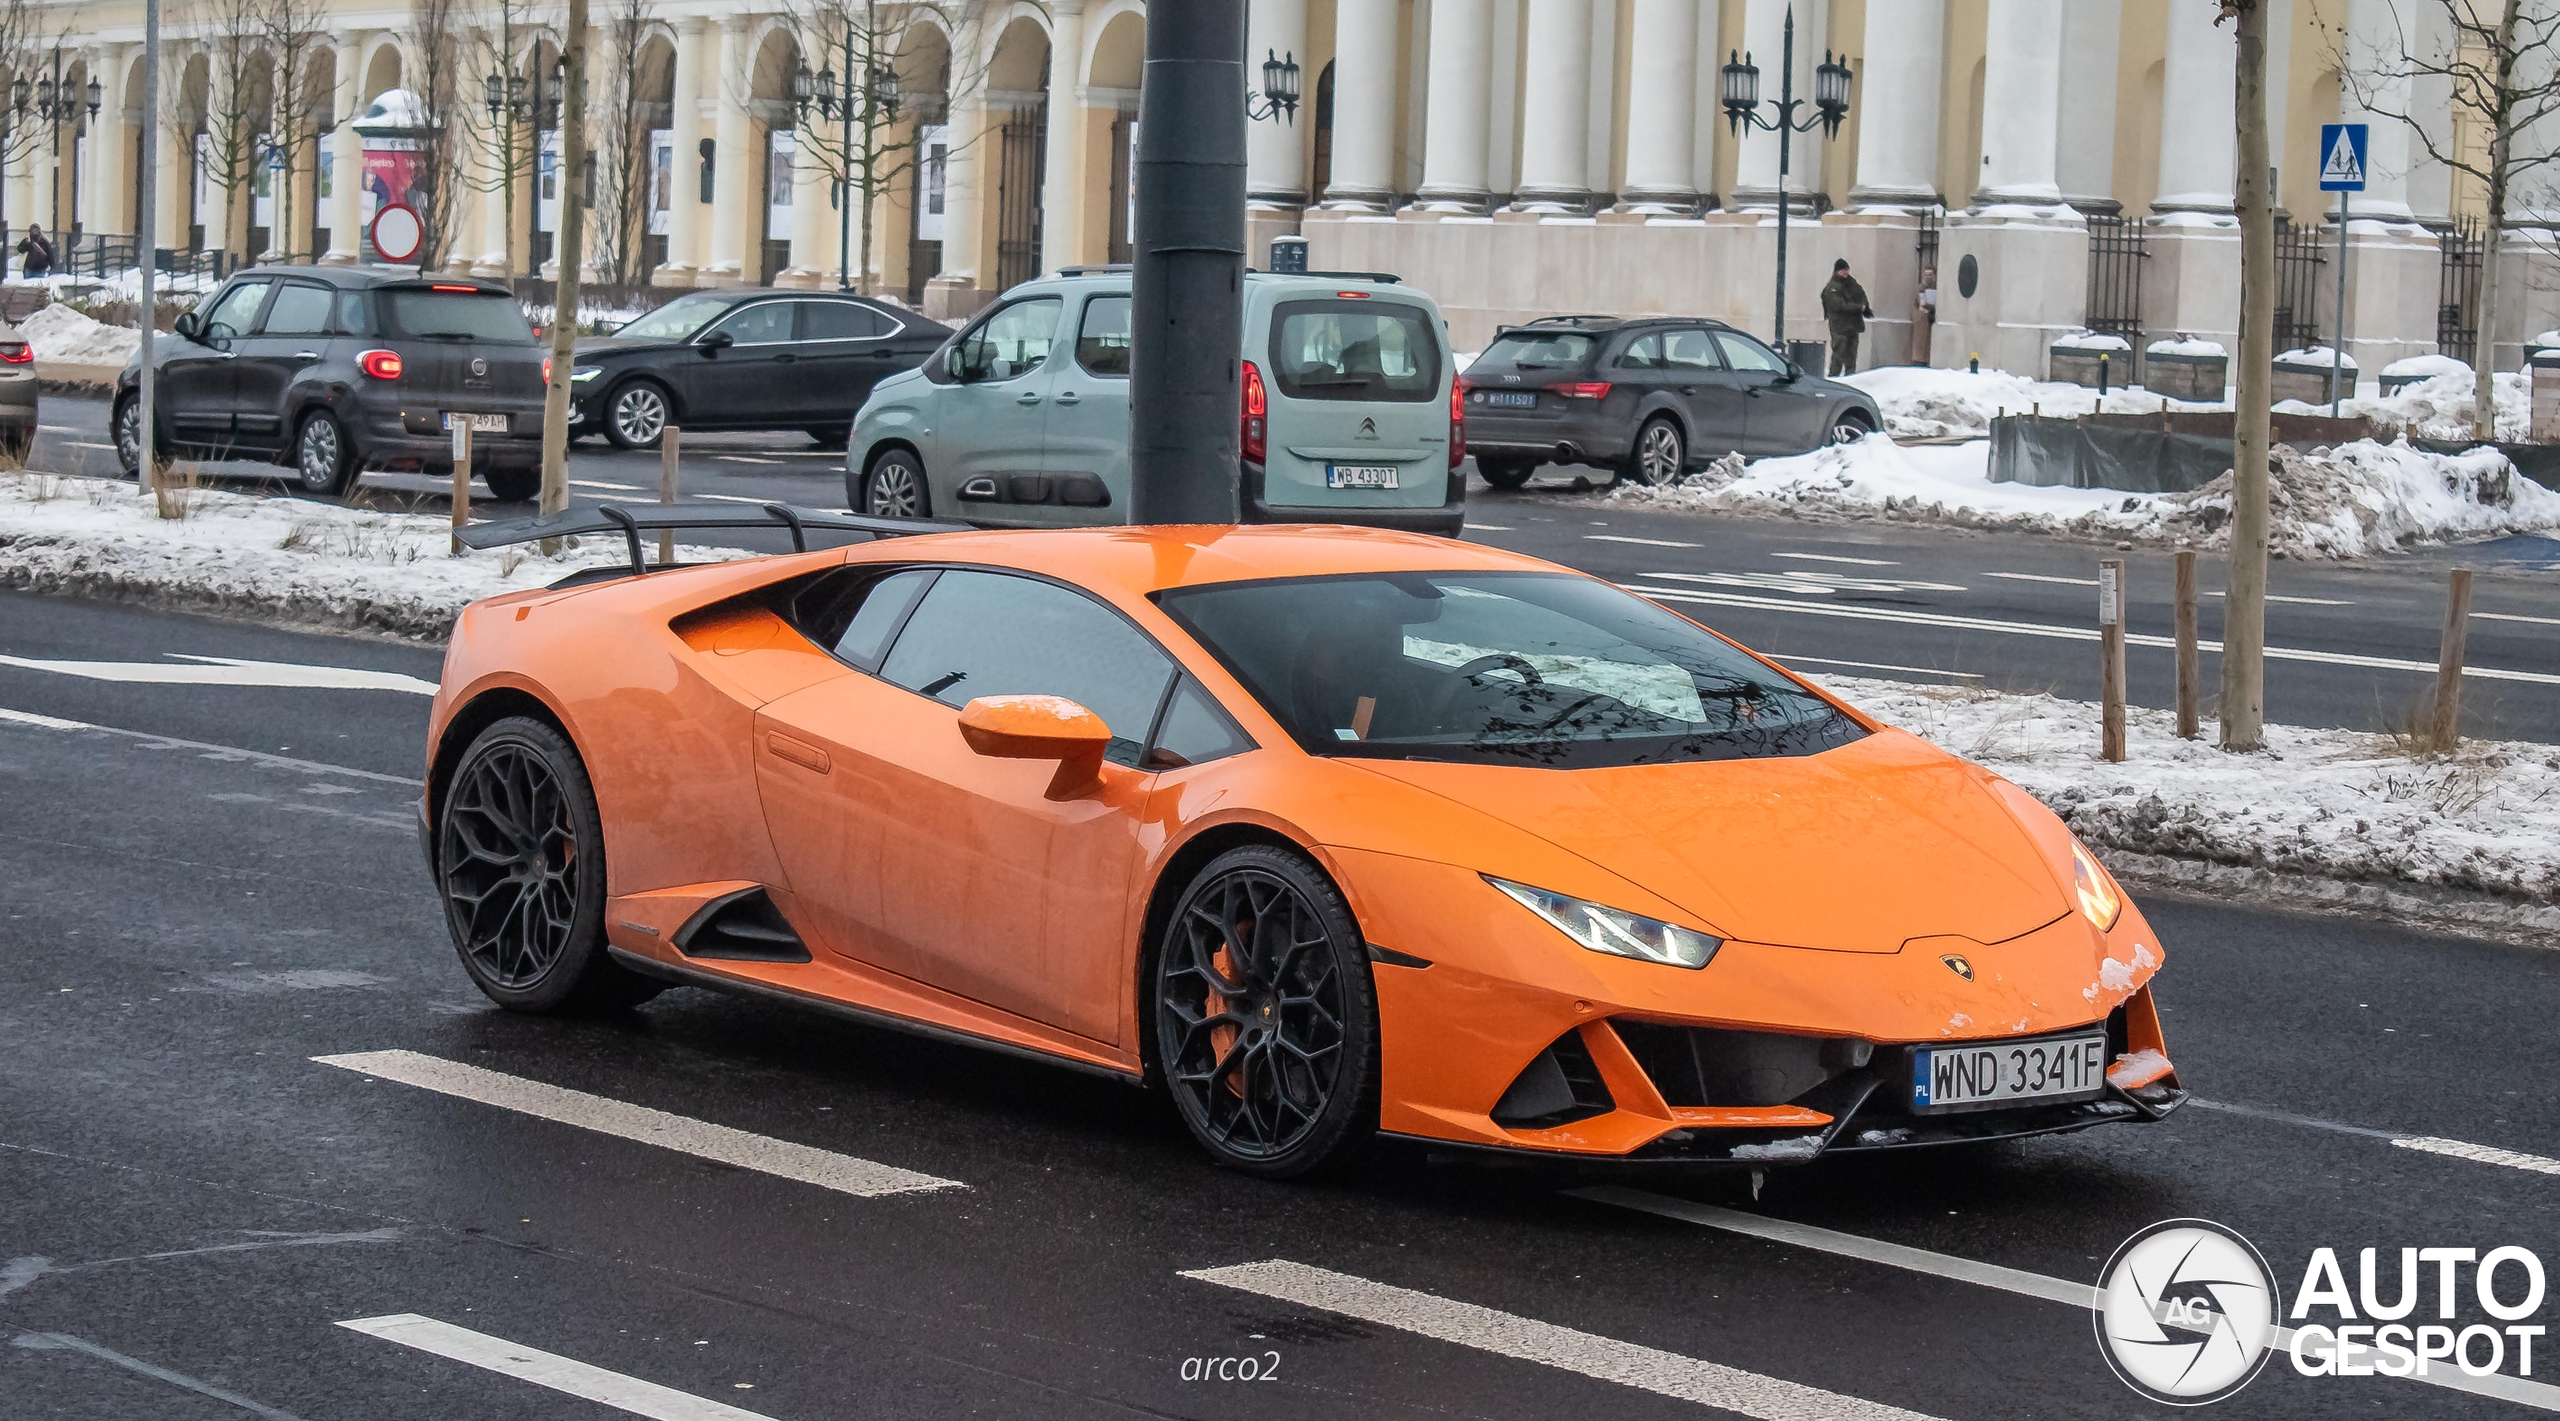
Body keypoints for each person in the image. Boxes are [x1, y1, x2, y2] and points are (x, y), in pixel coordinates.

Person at [1821, 257, 1871, 377]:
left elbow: (1862, 296)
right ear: (1837, 271)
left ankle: (1850, 377)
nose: (1845, 272)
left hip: (1852, 325)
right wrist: (1859, 308)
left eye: (1846, 270)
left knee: (1851, 355)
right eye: (1843, 270)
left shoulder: (1853, 284)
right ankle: (1834, 378)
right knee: (1839, 354)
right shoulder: (1832, 287)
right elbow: (1839, 305)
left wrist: (1865, 307)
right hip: (1839, 326)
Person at [1911, 266, 1938, 367]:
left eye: (1930, 274)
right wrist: (1919, 313)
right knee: (1921, 345)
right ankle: (1919, 360)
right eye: (1926, 275)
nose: (1928, 277)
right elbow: (1914, 305)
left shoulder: (1938, 288)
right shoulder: (1919, 289)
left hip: (1933, 316)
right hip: (1922, 319)